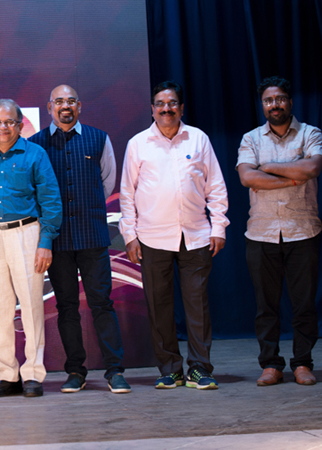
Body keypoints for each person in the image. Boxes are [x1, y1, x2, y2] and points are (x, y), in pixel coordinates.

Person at [119, 81, 229, 390]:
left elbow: (216, 186)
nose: (166, 109)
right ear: (152, 109)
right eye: (160, 104)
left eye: (172, 103)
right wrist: (130, 236)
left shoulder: (198, 139)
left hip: (196, 235)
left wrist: (218, 226)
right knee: (159, 306)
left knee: (198, 306)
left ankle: (200, 369)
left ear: (181, 108)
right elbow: (127, 194)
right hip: (152, 238)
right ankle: (170, 369)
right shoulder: (138, 144)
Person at [28, 84, 131, 394]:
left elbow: (107, 182)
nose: (65, 106)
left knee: (102, 303)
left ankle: (115, 370)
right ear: (49, 107)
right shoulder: (36, 144)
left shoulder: (99, 139)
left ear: (79, 106)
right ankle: (75, 371)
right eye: (59, 101)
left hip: (92, 237)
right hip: (57, 241)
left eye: (71, 101)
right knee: (67, 307)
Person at [236, 76, 322, 387]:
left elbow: (312, 168)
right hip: (261, 233)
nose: (275, 105)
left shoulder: (310, 133)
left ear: (290, 101)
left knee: (304, 305)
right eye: (268, 100)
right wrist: (292, 175)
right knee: (266, 307)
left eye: (280, 98)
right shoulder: (250, 139)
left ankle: (302, 363)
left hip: (303, 231)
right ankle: (271, 365)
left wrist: (268, 167)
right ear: (263, 105)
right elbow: (247, 178)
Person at [0, 99, 62, 398]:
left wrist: (45, 243)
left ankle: (33, 373)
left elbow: (51, 201)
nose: (3, 127)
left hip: (27, 234)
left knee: (32, 306)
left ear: (20, 125)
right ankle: (7, 375)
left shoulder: (35, 154)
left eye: (9, 122)